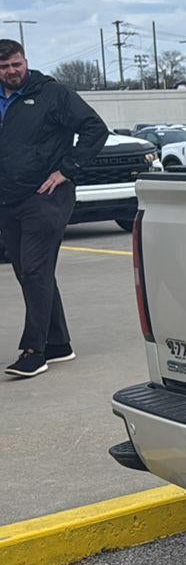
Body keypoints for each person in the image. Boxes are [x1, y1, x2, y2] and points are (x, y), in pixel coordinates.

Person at [0, 38, 108, 377]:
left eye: (15, 64)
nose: (11, 71)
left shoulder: (53, 94)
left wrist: (66, 170)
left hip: (46, 196)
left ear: (25, 61)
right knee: (29, 272)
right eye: (4, 66)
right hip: (8, 198)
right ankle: (59, 343)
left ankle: (35, 350)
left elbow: (95, 129)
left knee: (34, 270)